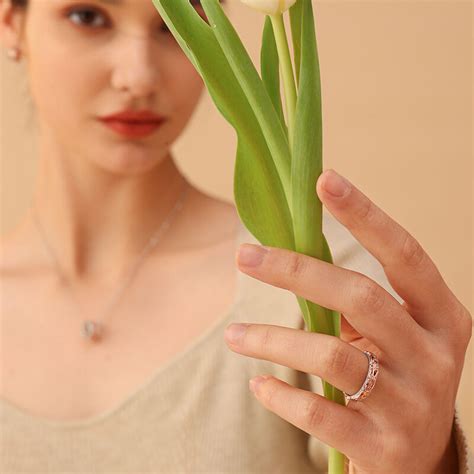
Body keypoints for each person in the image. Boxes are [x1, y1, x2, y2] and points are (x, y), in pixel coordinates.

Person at [0, 0, 472, 472]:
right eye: (88, 16)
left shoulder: (309, 277)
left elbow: (392, 444)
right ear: (10, 20)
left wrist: (429, 460)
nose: (138, 76)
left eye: (176, 22)